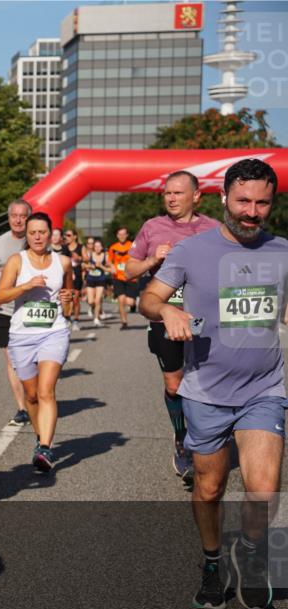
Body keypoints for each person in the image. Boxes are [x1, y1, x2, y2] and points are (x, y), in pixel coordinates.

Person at [140, 158, 285, 609]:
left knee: (263, 486)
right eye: (243, 200)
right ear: (224, 198)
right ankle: (211, 559)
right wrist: (167, 311)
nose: (251, 211)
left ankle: (252, 550)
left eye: (262, 203)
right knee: (209, 488)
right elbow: (148, 297)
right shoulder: (192, 250)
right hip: (205, 390)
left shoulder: (282, 251)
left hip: (265, 387)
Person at [125, 171, 221, 482]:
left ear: (196, 196)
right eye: (167, 193)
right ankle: (182, 440)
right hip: (163, 316)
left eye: (178, 193)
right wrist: (153, 259)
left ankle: (203, 439)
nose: (171, 198)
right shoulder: (152, 227)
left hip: (203, 318)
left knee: (205, 383)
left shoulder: (214, 229)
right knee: (174, 384)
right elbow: (128, 271)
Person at [0, 212, 74, 473]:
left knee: (46, 391)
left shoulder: (63, 262)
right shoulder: (17, 261)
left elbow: (71, 300)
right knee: (30, 395)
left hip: (54, 332)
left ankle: (45, 447)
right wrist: (25, 286)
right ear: (27, 236)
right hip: (21, 335)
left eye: (42, 232)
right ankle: (40, 438)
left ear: (51, 234)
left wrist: (68, 299)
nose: (38, 237)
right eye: (33, 233)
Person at [0, 199, 31, 427]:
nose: (18, 220)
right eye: (14, 216)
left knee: (32, 361)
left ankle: (35, 399)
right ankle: (22, 407)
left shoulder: (37, 241)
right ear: (9, 217)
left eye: (23, 216)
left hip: (32, 311)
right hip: (7, 311)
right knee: (12, 360)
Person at [108, 227, 137, 329]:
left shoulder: (133, 246)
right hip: (118, 277)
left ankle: (133, 305)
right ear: (117, 236)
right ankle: (124, 322)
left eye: (124, 234)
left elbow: (139, 257)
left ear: (127, 235)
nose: (122, 236)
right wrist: (111, 266)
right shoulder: (113, 247)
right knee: (121, 300)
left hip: (131, 277)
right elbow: (109, 260)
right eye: (120, 234)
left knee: (130, 302)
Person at [83, 238, 110, 326]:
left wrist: (101, 266)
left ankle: (96, 318)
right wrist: (89, 266)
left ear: (102, 247)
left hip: (101, 280)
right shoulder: (89, 254)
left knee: (98, 300)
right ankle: (94, 309)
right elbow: (83, 264)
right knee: (91, 301)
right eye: (95, 246)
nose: (97, 248)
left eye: (99, 246)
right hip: (90, 279)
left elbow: (110, 269)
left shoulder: (106, 256)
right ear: (93, 247)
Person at [64, 229, 84, 331]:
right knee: (67, 298)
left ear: (74, 237)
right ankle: (67, 318)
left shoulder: (80, 247)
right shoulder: (64, 247)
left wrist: (79, 258)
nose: (66, 237)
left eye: (68, 235)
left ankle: (76, 321)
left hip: (77, 275)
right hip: (66, 276)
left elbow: (86, 259)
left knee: (75, 299)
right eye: (65, 235)